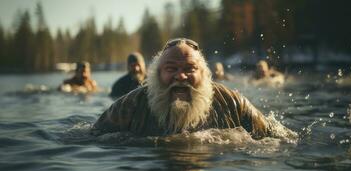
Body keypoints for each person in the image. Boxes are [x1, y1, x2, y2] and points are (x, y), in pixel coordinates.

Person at [93, 38, 283, 139]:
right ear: (156, 75)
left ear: (204, 75)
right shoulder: (129, 107)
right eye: (171, 69)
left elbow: (279, 138)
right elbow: (89, 137)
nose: (180, 76)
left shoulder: (233, 104)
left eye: (189, 69)